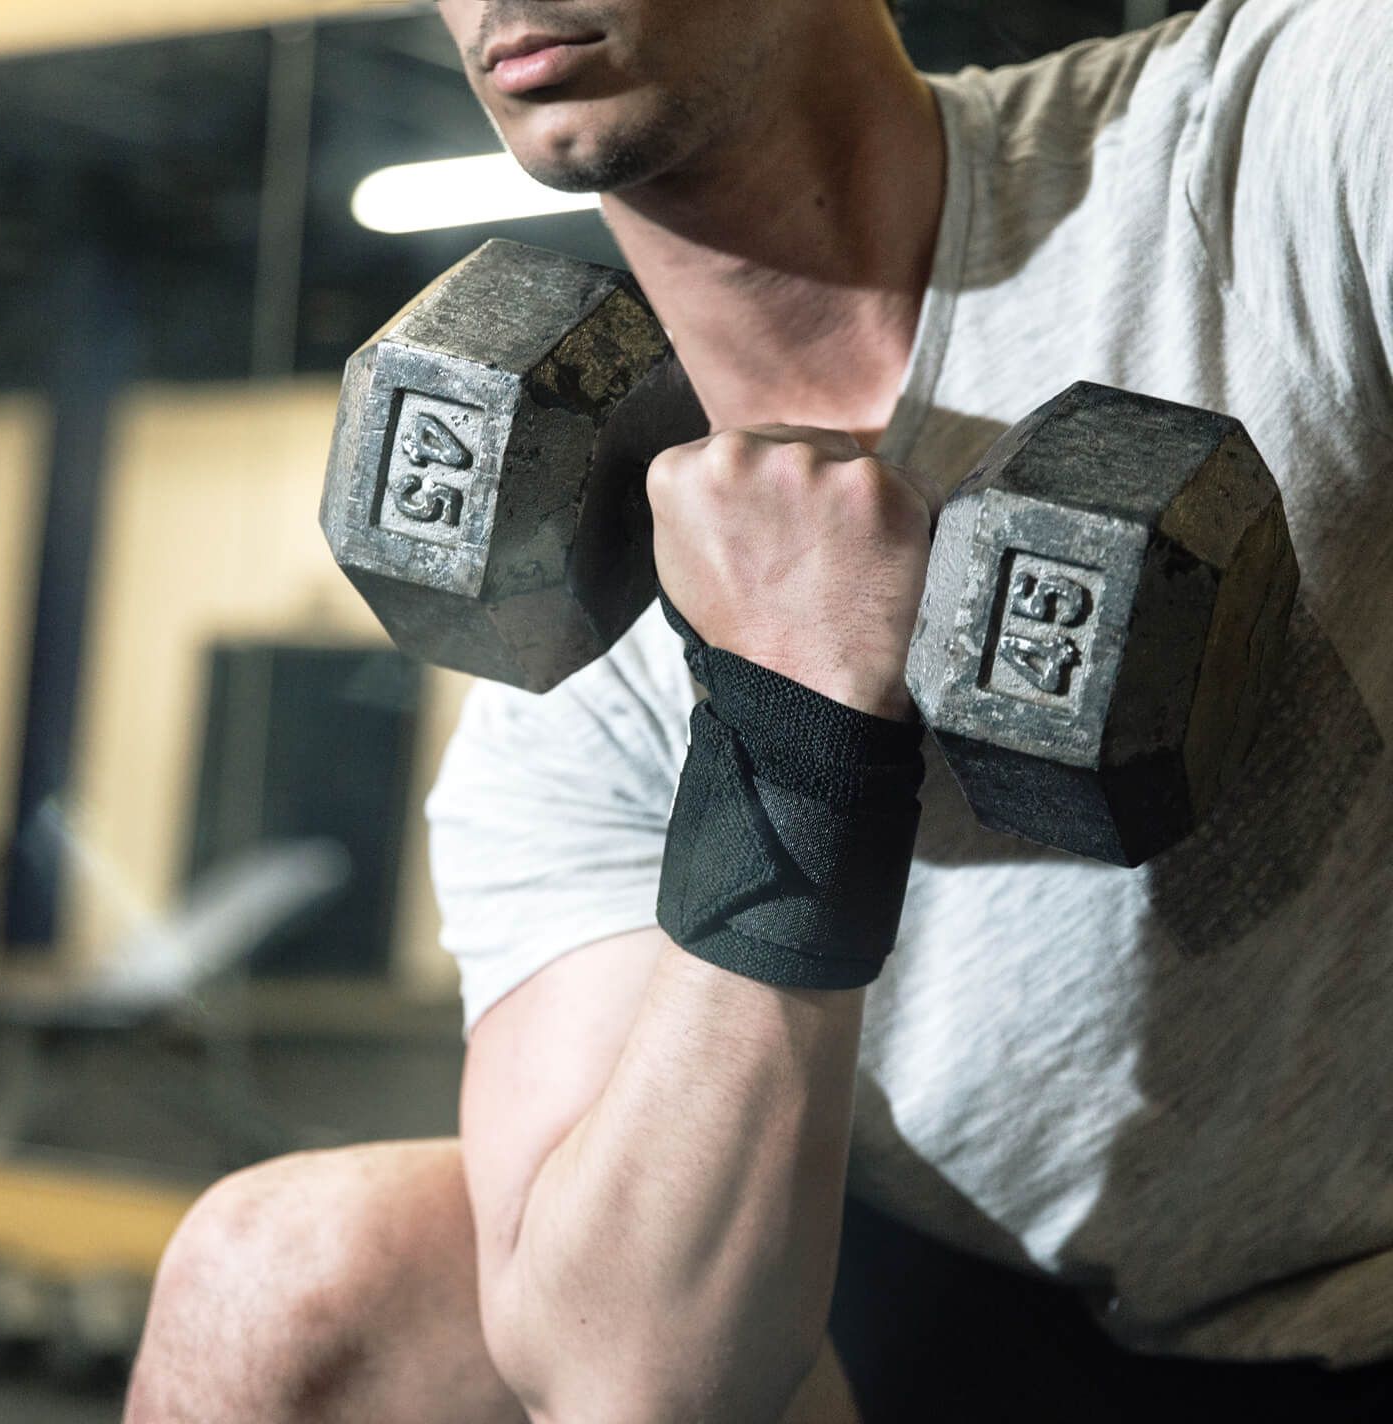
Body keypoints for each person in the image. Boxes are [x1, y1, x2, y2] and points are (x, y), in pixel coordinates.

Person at [124, 0, 1393, 1419]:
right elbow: (633, 1382)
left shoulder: (1274, 141)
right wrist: (796, 725)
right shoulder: (562, 678)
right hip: (972, 1321)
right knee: (271, 1281)